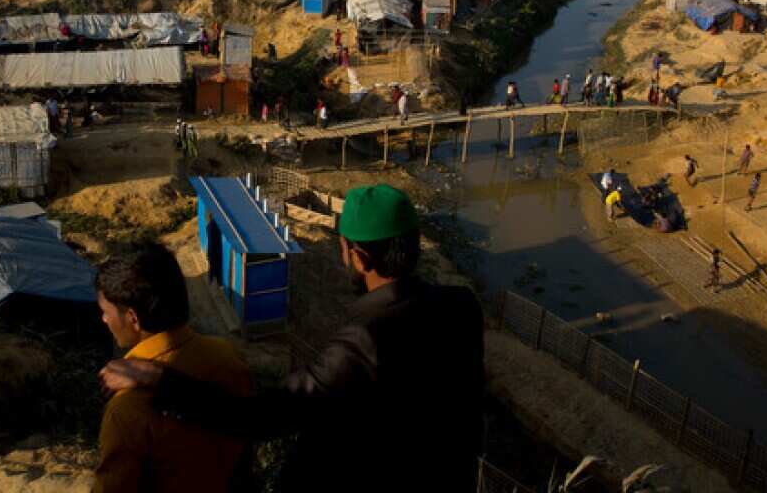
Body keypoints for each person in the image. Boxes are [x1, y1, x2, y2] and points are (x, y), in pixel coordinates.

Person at [100, 184, 485, 493]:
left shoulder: (364, 341)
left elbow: (265, 417)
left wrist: (160, 380)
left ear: (360, 258)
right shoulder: (461, 307)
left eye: (343, 247)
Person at [94, 244, 252, 493]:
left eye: (105, 312)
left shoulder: (126, 408)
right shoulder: (227, 357)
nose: (104, 319)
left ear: (133, 318)